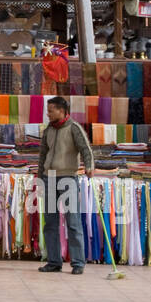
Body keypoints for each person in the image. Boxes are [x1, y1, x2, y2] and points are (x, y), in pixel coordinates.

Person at [36, 96, 95, 274]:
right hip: (49, 178)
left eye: (51, 110)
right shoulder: (48, 130)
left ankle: (78, 263)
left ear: (62, 110)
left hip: (68, 177)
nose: (48, 113)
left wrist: (90, 166)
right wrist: (40, 177)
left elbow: (86, 149)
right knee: (50, 222)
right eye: (48, 110)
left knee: (73, 222)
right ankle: (54, 261)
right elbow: (42, 155)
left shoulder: (74, 128)